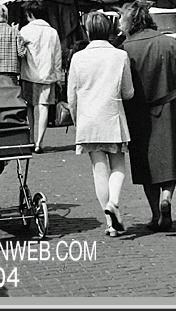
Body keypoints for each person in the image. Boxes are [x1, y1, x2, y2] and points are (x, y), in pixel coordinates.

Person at [120, 0, 176, 232]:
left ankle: (156, 214)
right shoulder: (170, 44)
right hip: (170, 109)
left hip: (137, 112)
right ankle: (167, 196)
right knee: (170, 159)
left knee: (145, 165)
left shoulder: (124, 49)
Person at [67, 12, 135, 237]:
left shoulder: (78, 58)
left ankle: (110, 223)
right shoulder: (120, 56)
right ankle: (113, 202)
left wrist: (78, 122)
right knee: (118, 166)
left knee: (99, 170)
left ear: (87, 32)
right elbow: (128, 92)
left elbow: (72, 97)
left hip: (88, 121)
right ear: (109, 30)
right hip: (112, 118)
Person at [19, 0, 63, 154]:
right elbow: (58, 57)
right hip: (48, 75)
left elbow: (20, 53)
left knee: (29, 107)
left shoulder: (25, 31)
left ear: (30, 14)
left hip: (29, 75)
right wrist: (58, 76)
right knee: (44, 107)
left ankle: (30, 139)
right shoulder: (52, 32)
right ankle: (39, 142)